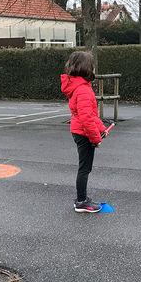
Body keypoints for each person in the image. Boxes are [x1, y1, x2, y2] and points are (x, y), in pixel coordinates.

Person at [61, 51, 109, 213]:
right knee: (84, 168)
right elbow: (86, 117)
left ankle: (82, 199)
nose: (95, 69)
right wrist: (95, 138)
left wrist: (101, 128)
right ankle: (81, 202)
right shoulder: (83, 90)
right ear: (87, 69)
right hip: (82, 133)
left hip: (80, 130)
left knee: (85, 167)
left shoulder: (80, 87)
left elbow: (90, 115)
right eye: (93, 66)